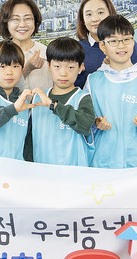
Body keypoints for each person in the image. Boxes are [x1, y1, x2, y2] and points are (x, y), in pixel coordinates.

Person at [84, 15, 137, 168]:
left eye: (126, 39)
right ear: (102, 46)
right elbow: (83, 126)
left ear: (133, 42)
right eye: (113, 41)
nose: (121, 46)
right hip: (101, 166)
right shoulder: (93, 81)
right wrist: (95, 123)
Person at [25, 37, 94, 166]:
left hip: (73, 172)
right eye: (57, 66)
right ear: (48, 66)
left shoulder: (82, 98)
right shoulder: (37, 98)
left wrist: (54, 106)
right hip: (42, 170)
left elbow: (85, 126)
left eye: (71, 67)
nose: (63, 73)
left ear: (80, 68)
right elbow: (29, 138)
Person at [75, 0, 137, 88]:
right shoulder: (75, 50)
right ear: (82, 19)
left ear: (110, 14)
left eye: (100, 12)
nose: (94, 19)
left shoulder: (126, 45)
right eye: (89, 14)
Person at [0, 0, 51, 91]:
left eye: (28, 18)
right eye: (15, 19)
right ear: (6, 23)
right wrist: (26, 69)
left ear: (35, 21)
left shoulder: (46, 53)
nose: (22, 25)